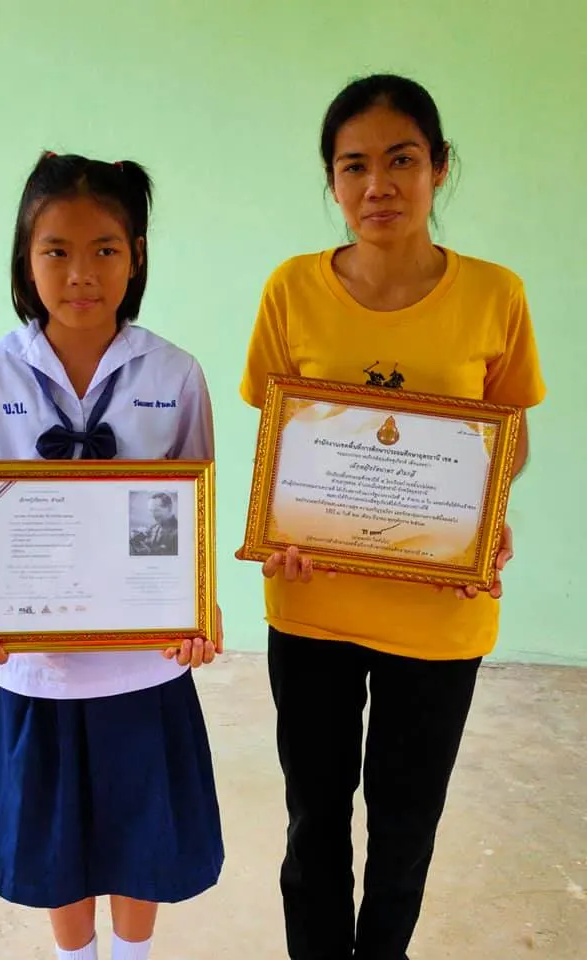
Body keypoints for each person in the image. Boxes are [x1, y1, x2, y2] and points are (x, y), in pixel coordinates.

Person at [239, 74, 545, 960]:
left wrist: (483, 510)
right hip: (313, 604)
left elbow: (510, 436)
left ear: (439, 167)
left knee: (406, 830)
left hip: (440, 612)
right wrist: (280, 526)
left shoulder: (496, 294)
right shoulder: (291, 289)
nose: (379, 185)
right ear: (332, 181)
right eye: (355, 165)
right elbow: (280, 442)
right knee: (314, 824)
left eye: (402, 160)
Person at [0, 152, 224, 960]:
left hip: (144, 663)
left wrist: (198, 605)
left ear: (136, 256)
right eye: (56, 250)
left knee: (143, 831)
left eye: (105, 248)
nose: (81, 273)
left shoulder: (175, 373)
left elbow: (191, 512)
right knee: (54, 843)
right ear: (25, 260)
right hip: (39, 665)